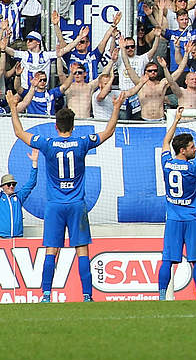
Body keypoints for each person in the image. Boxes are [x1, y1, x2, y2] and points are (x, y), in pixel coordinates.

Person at [9, 91, 125, 302]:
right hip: (76, 205)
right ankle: (87, 295)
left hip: (54, 205)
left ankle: (45, 295)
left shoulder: (47, 143)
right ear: (73, 126)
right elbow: (108, 131)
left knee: (51, 250)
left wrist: (12, 108)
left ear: (56, 126)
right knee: (82, 251)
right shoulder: (82, 142)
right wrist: (116, 107)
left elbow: (19, 133)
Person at [158, 109, 196, 301]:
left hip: (173, 219)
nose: (195, 149)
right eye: (192, 147)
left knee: (168, 260)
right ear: (183, 150)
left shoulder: (166, 163)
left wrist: (175, 121)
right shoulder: (193, 167)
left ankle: (161, 298)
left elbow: (164, 143)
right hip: (192, 219)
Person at [1, 149, 38, 238]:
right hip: (1, 238)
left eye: (13, 184)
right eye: (8, 184)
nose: (11, 186)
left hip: (18, 238)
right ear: (2, 186)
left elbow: (31, 183)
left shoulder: (18, 197)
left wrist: (34, 163)